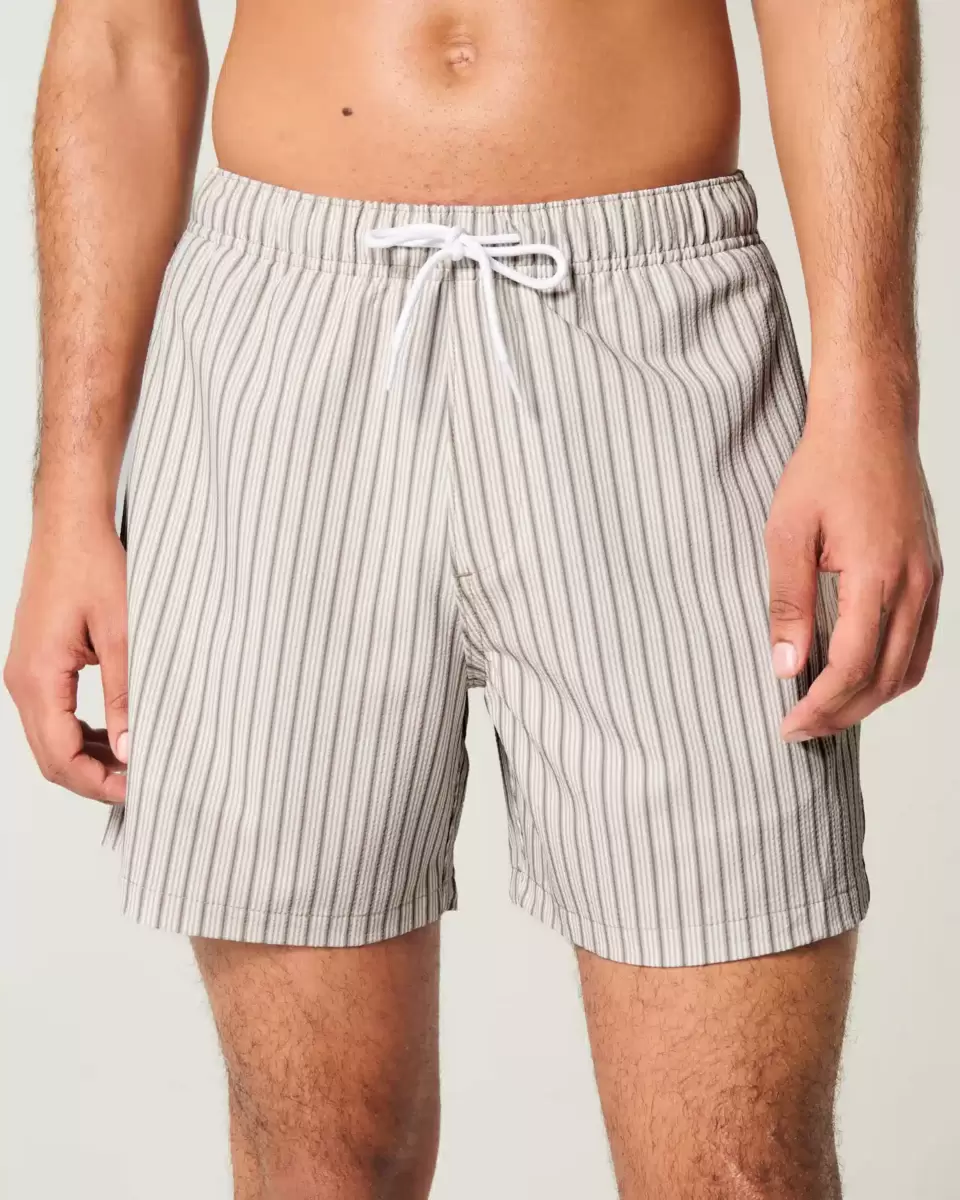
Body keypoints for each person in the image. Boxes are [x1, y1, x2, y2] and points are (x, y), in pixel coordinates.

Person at [5, 0, 942, 1196]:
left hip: (657, 341)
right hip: (280, 354)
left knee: (738, 1166)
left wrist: (871, 397)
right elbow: (117, 39)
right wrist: (69, 498)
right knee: (317, 1160)